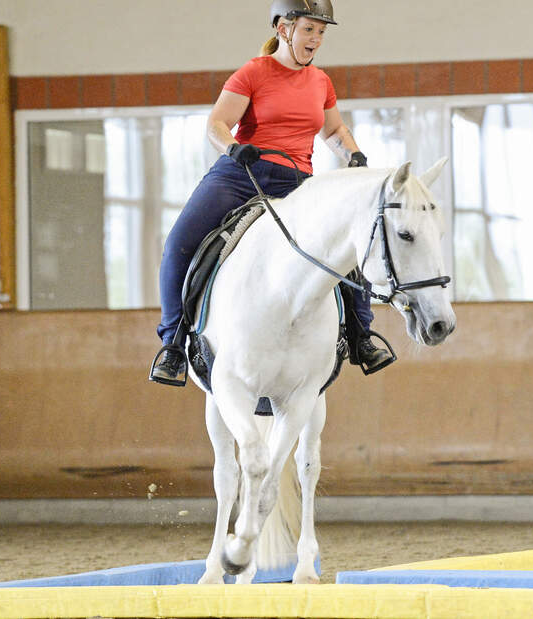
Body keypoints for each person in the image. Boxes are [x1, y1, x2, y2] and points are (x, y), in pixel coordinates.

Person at [150, 0, 393, 385]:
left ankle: (361, 336)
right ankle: (174, 344)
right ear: (284, 29)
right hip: (242, 173)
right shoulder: (253, 73)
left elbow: (332, 131)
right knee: (179, 243)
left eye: (322, 32)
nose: (316, 39)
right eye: (310, 30)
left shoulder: (320, 82)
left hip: (298, 180)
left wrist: (354, 154)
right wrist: (232, 147)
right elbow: (216, 123)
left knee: (349, 246)